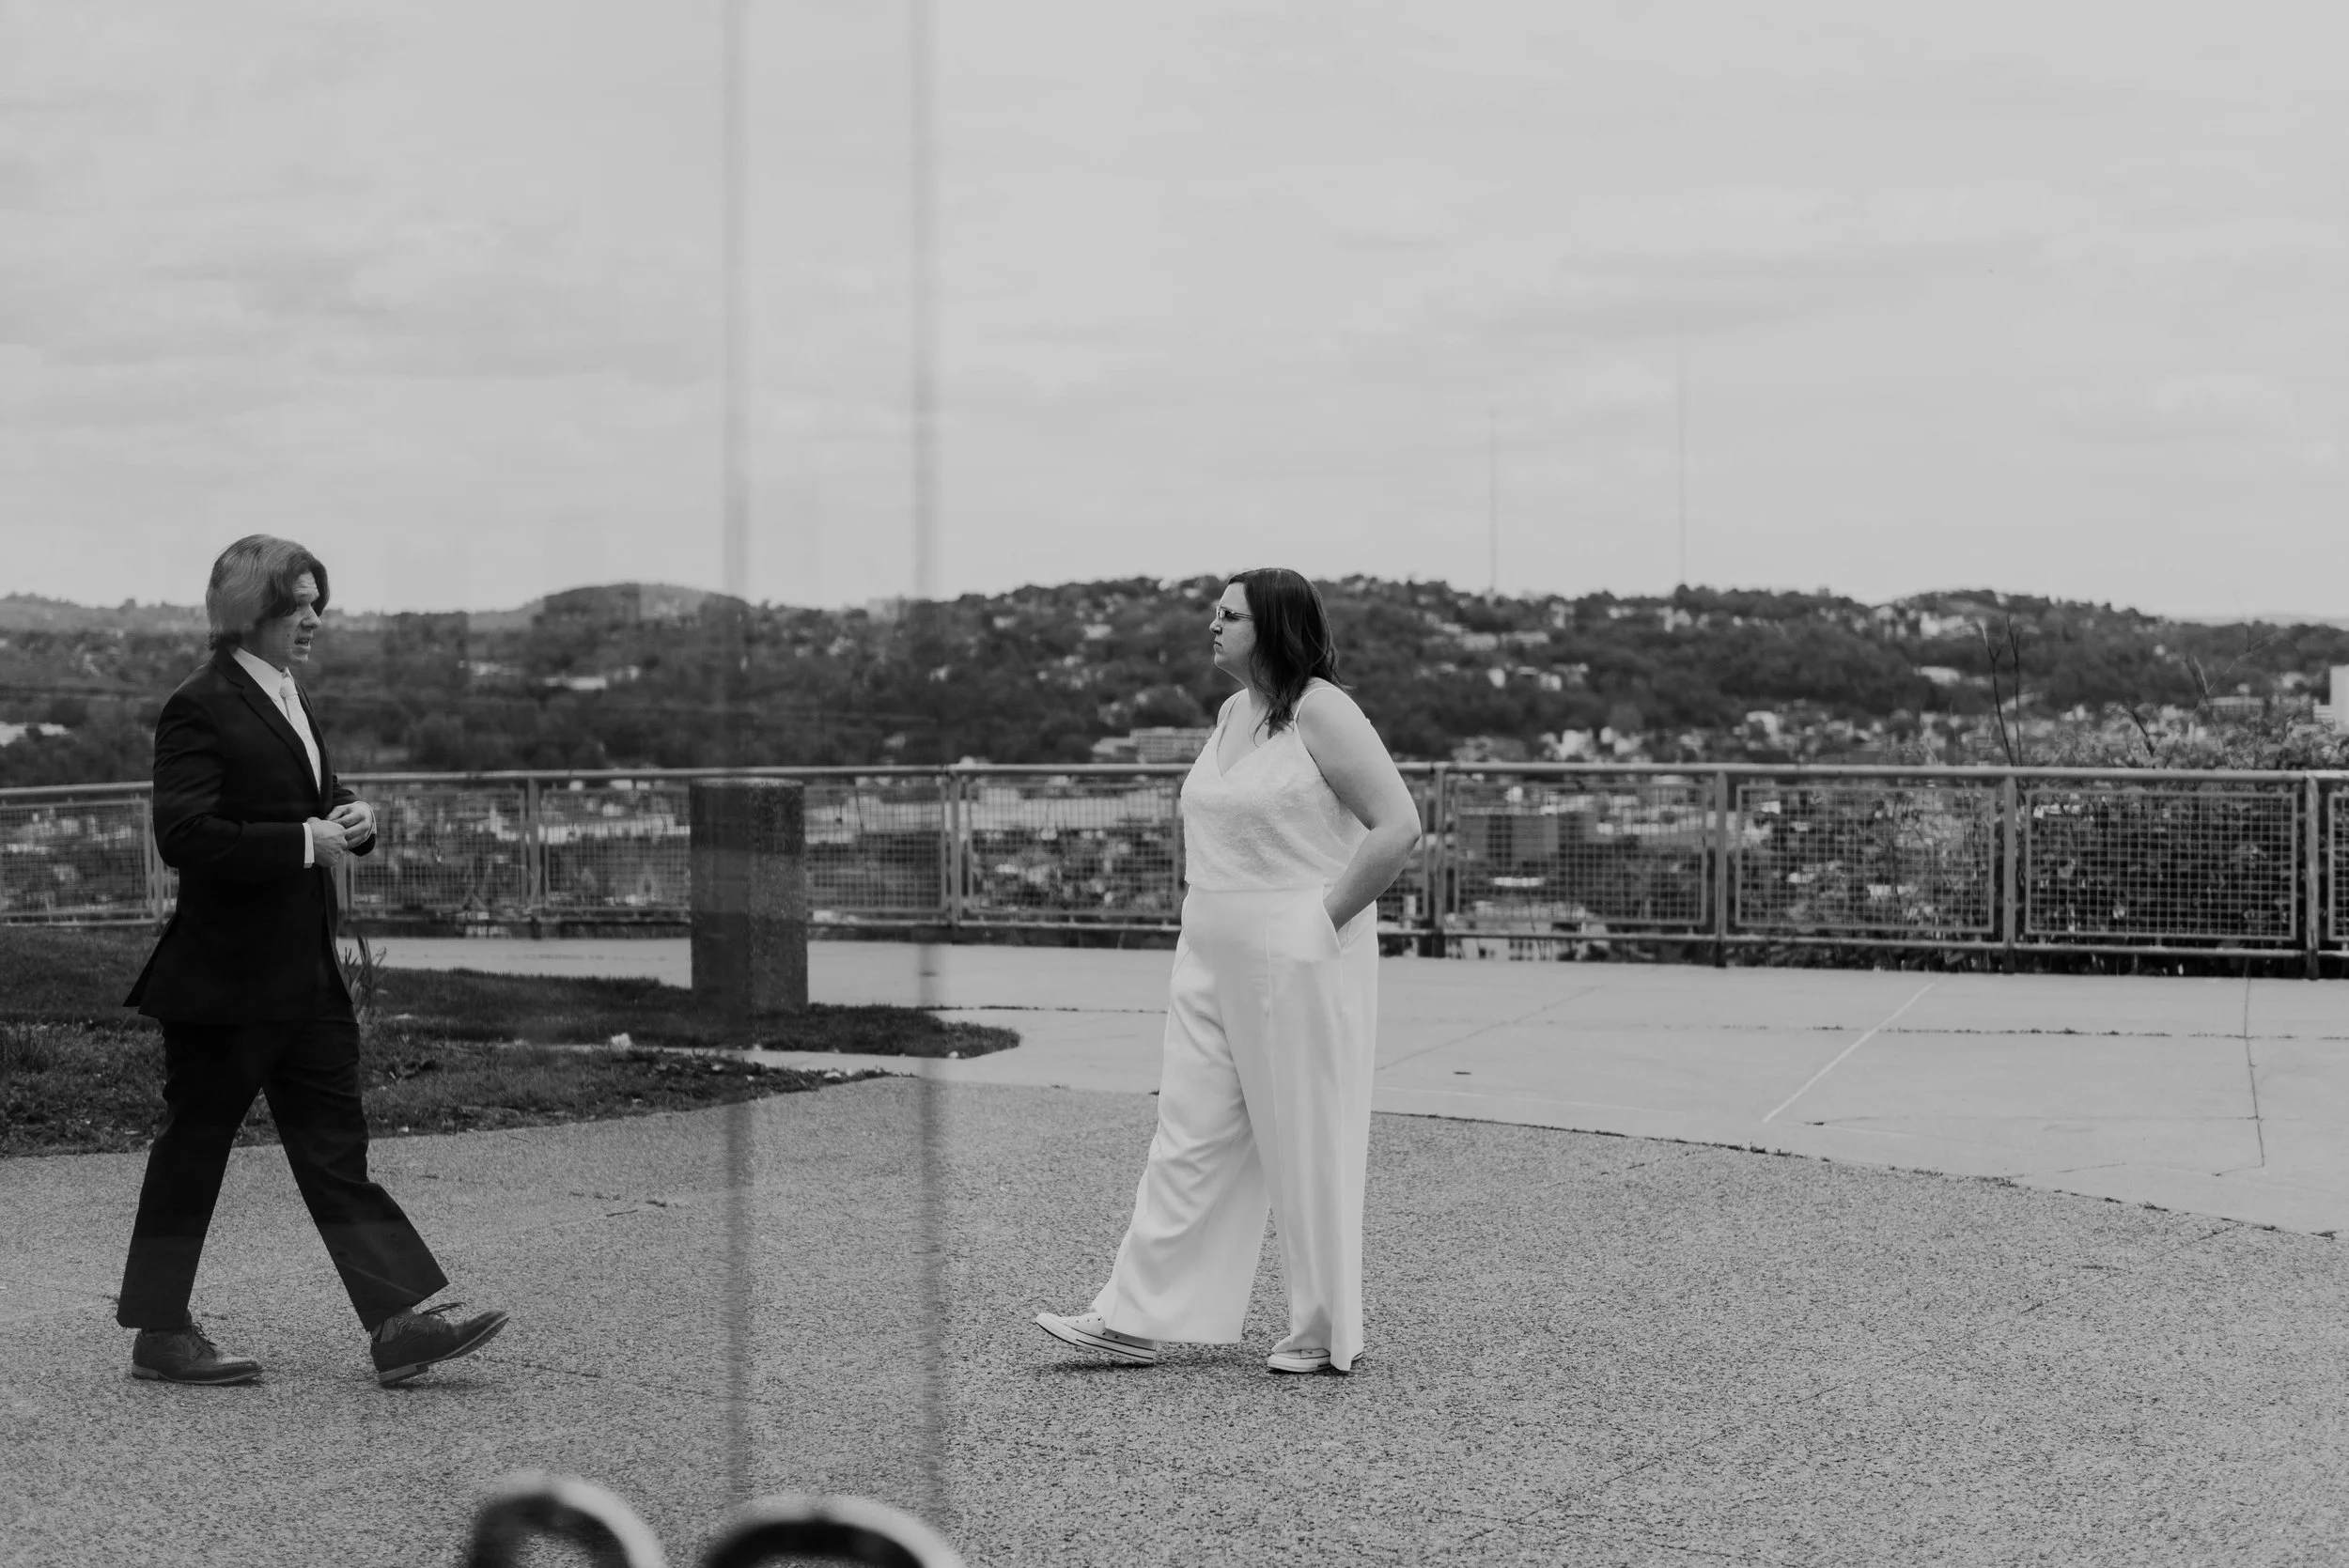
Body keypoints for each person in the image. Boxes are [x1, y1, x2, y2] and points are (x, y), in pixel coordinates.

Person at [116, 535, 508, 1388]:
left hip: (305, 976)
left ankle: (398, 1324)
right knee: (195, 1152)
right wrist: (304, 838)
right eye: (297, 603)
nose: (313, 618)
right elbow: (183, 834)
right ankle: (159, 1330)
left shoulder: (288, 694)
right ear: (249, 613)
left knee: (337, 1152)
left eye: (316, 602)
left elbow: (309, 800)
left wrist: (347, 815)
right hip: (224, 982)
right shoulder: (199, 705)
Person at [1036, 567, 1420, 1374]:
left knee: (1304, 1136)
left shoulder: (1322, 709)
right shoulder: (1231, 711)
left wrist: (1321, 920)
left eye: (1229, 614)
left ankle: (1319, 1330)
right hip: (1208, 939)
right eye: (1214, 611)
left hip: (1296, 942)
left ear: (1273, 626)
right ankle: (1130, 1315)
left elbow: (1398, 825)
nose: (1212, 624)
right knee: (1188, 1129)